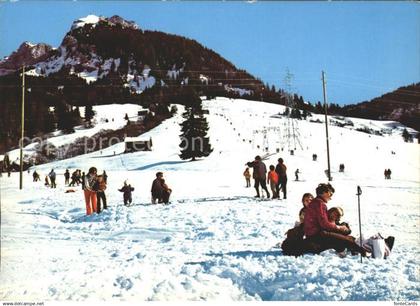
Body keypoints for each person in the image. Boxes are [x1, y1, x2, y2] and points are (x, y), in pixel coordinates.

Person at [303, 183, 366, 256]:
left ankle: (351, 248)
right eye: (330, 194)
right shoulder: (319, 204)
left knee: (342, 236)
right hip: (316, 235)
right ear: (324, 193)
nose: (331, 197)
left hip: (314, 234)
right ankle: (362, 251)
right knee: (345, 240)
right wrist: (339, 227)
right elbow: (324, 224)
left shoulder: (316, 202)